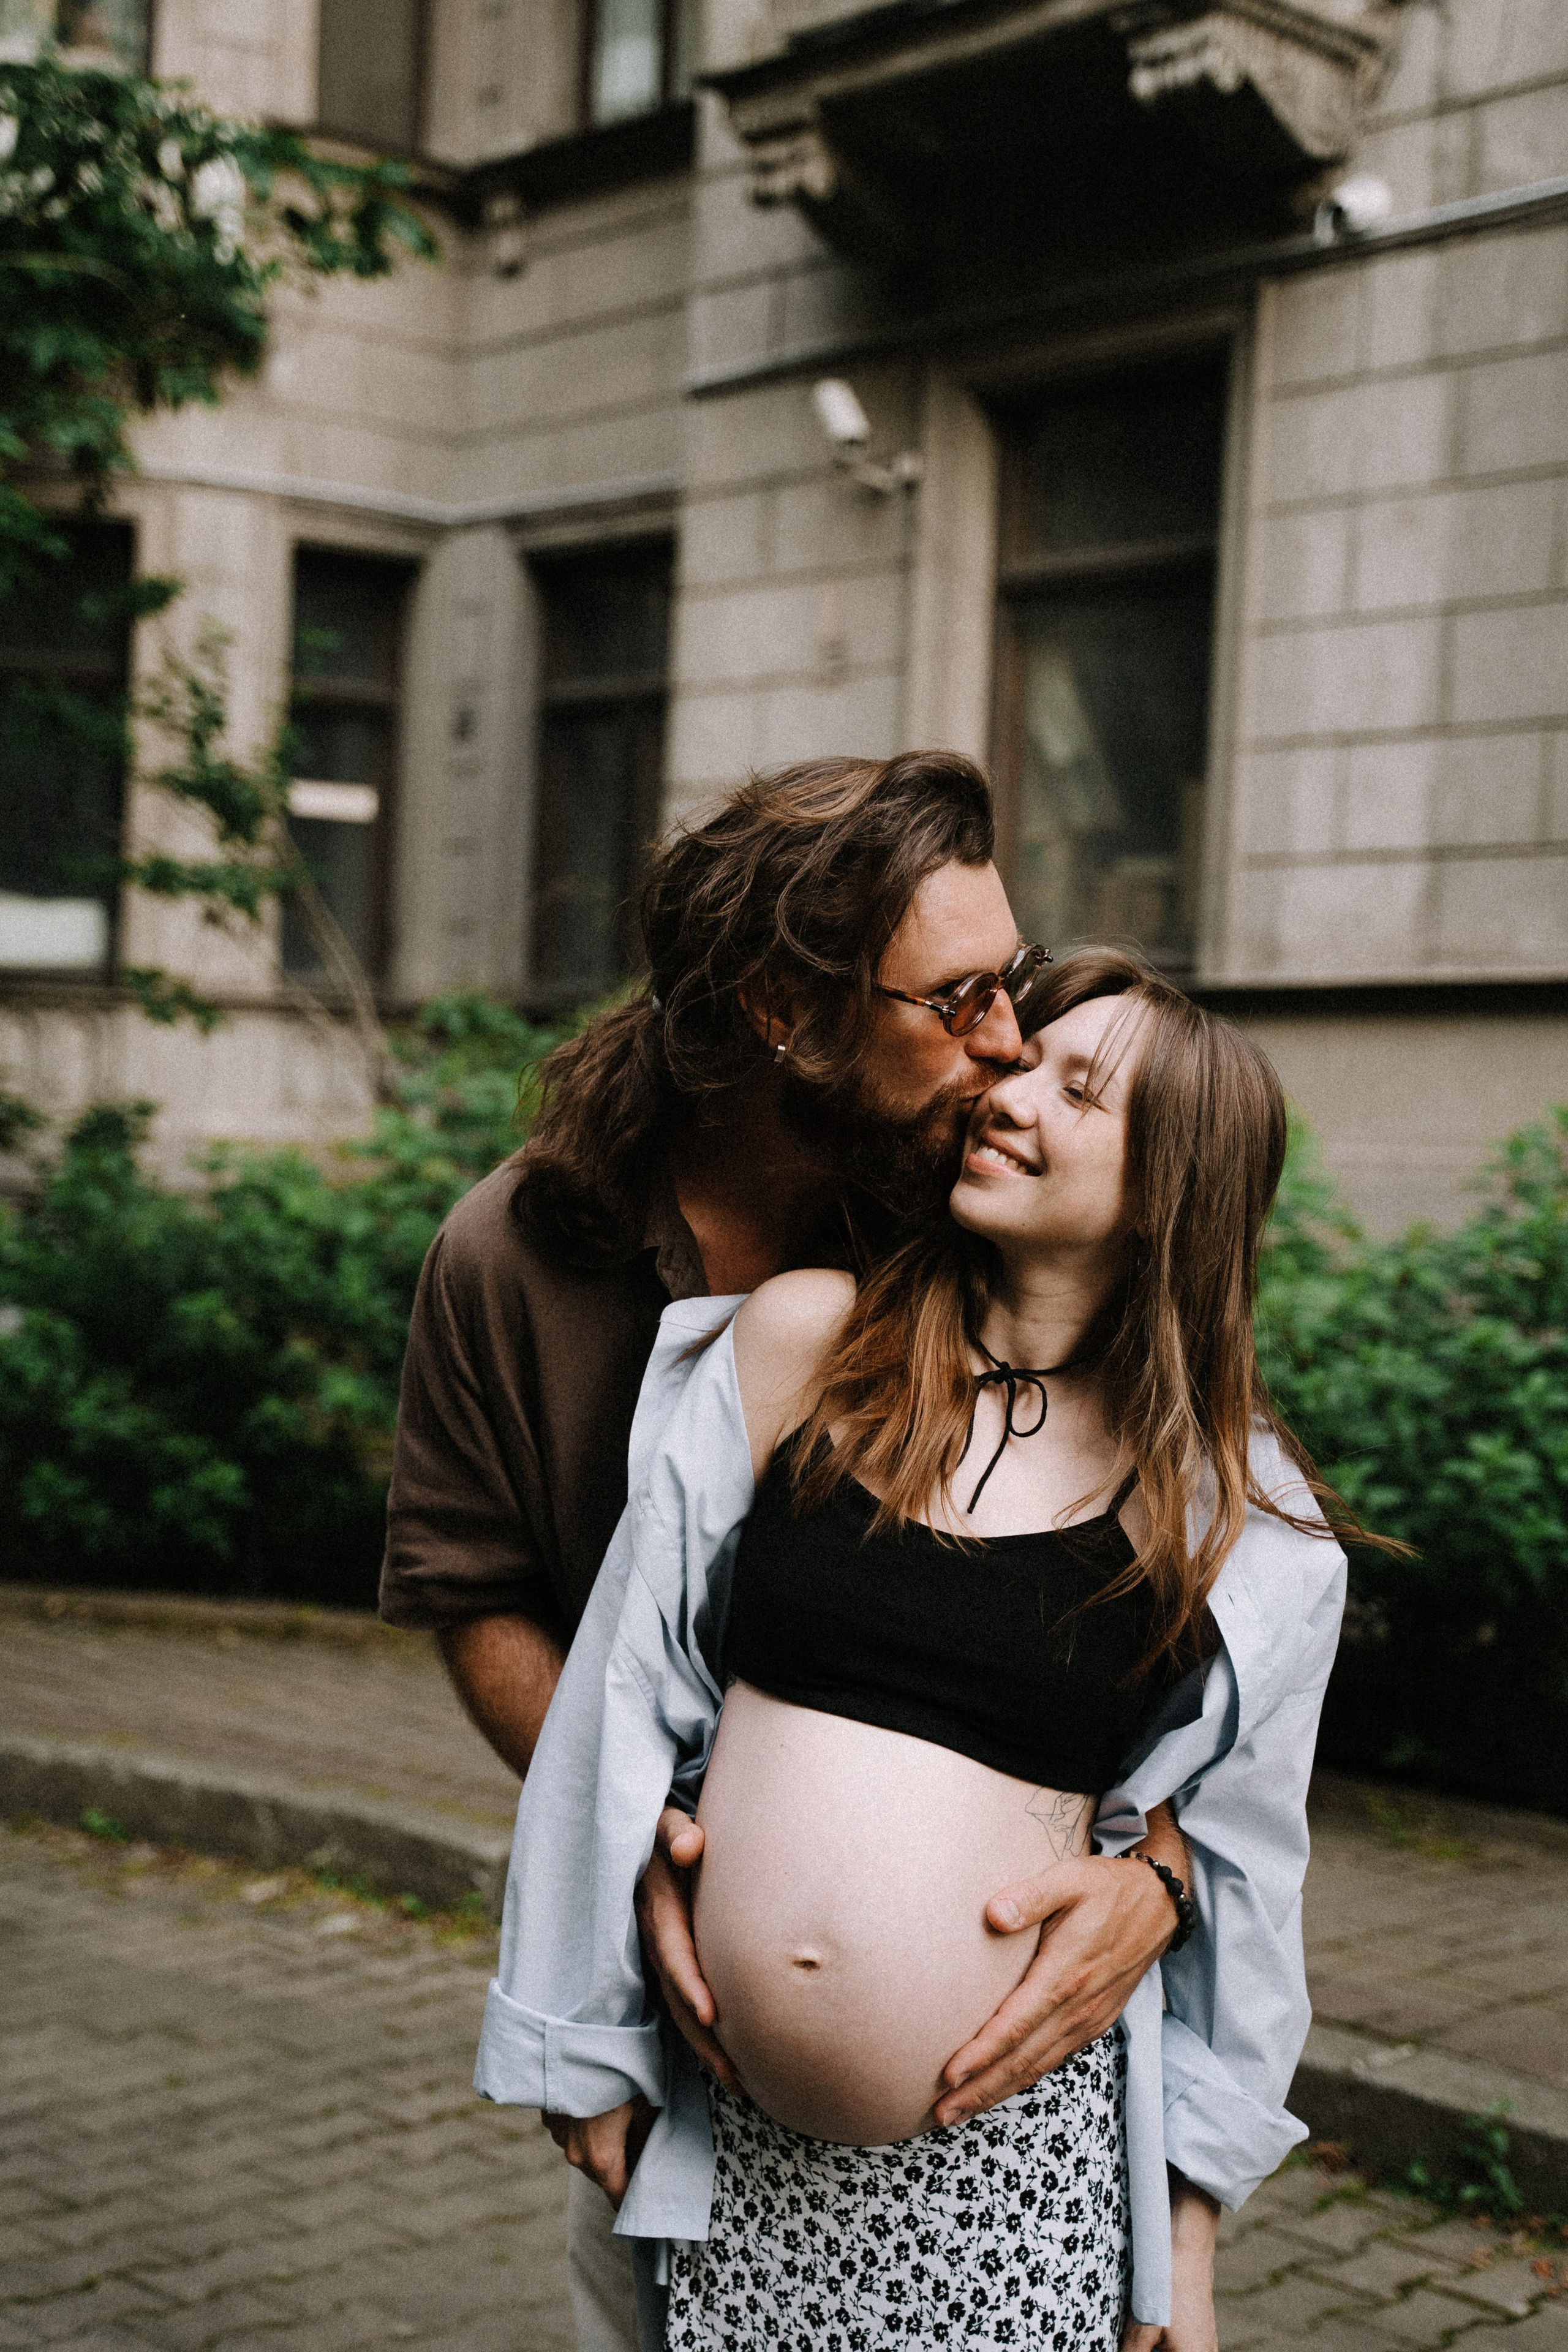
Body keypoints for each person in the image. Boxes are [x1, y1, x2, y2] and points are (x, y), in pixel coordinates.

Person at [381, 756, 1193, 2350]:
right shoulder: (514, 1254)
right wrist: (663, 1851)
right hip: (681, 2015)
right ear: (780, 1007)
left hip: (1008, 2130)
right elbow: (476, 1597)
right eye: (955, 1000)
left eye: (1012, 985)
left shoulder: (976, 1206)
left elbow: (1178, 1559)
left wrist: (1165, 1871)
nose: (1008, 1047)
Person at [475, 947, 1379, 2350]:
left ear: (1167, 1194)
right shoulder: (805, 1343)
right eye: (1021, 1063)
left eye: (1079, 1091)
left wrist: (1183, 2255)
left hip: (1016, 2177)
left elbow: (1245, 1877)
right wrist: (577, 2031)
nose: (1010, 1094)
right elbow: (621, 1685)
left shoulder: (1224, 1514)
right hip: (734, 2148)